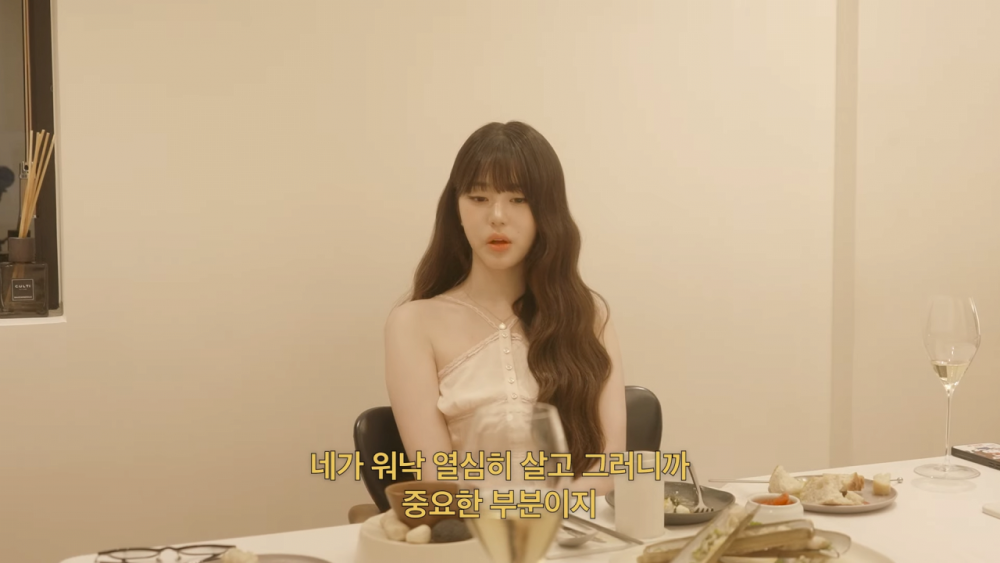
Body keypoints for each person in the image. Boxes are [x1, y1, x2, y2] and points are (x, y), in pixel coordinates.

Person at [384, 121, 626, 496]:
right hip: (474, 528)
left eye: (519, 199)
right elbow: (438, 477)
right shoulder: (413, 324)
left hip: (578, 529)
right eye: (479, 198)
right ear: (456, 208)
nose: (497, 215)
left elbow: (610, 468)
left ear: (547, 211)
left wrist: (541, 515)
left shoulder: (588, 315)